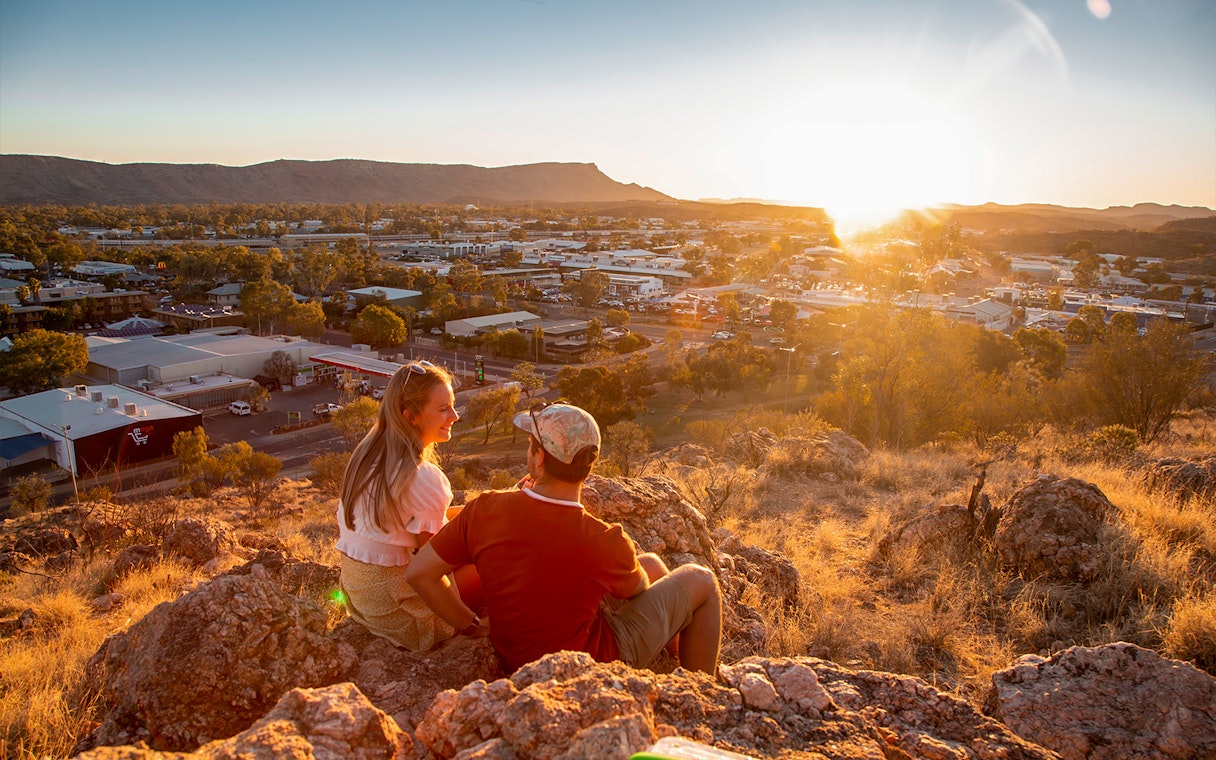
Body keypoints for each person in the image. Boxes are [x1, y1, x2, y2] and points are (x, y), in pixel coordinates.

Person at [407, 402, 721, 674]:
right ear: (589, 466)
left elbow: (420, 573)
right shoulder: (603, 539)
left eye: (530, 443)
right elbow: (636, 589)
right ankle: (700, 689)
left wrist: (469, 624)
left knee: (650, 563)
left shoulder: (485, 509)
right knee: (701, 580)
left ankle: (671, 656)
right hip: (592, 667)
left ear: (539, 458)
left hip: (515, 659)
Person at [335, 360, 478, 650]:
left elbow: (422, 525)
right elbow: (431, 570)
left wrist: (496, 503)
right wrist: (472, 626)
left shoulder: (369, 454)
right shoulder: (422, 476)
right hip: (401, 611)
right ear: (411, 416)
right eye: (443, 409)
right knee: (499, 554)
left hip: (363, 600)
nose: (454, 416)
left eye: (453, 405)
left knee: (484, 528)